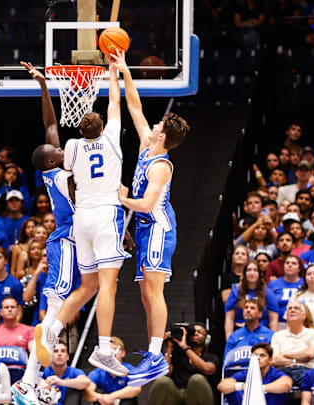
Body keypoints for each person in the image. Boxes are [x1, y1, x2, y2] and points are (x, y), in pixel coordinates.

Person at [41, 48, 129, 378]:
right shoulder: (112, 143)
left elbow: (56, 138)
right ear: (103, 128)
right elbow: (115, 104)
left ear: (79, 131)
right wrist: (113, 72)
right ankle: (104, 349)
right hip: (106, 215)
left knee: (89, 285)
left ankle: (54, 325)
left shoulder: (73, 149)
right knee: (107, 286)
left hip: (82, 221)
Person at [111, 51, 190, 386]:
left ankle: (157, 356)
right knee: (146, 293)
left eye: (158, 126)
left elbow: (144, 204)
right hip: (145, 230)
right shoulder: (147, 144)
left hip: (158, 228)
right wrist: (125, 71)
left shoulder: (161, 165)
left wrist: (122, 196)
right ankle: (153, 353)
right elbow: (135, 107)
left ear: (163, 137)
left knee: (154, 292)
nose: (154, 125)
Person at [15, 61, 83, 404]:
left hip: (72, 239)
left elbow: (51, 122)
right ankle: (32, 373)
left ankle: (29, 380)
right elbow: (85, 200)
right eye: (57, 150)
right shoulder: (63, 177)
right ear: (52, 162)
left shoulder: (57, 166)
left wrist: (45, 86)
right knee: (57, 302)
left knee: (62, 306)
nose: (61, 147)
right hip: (67, 238)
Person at [147, 324, 218, 405]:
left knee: (197, 379)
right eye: (193, 332)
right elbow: (164, 373)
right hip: (176, 394)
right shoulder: (177, 354)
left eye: (200, 332)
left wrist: (185, 347)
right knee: (162, 381)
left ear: (207, 338)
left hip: (196, 396)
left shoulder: (210, 356)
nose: (196, 334)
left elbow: (208, 369)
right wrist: (170, 347)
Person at [217, 343, 293, 405]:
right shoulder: (245, 373)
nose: (258, 358)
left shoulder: (275, 373)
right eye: (255, 355)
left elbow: (286, 384)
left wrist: (257, 389)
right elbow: (222, 386)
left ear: (270, 360)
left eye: (262, 355)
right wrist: (243, 386)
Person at [270, 300, 314, 385]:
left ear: (304, 316)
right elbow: (274, 360)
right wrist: (298, 360)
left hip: (307, 370)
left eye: (296, 308)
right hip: (283, 372)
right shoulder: (277, 336)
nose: (292, 310)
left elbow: (310, 354)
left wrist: (285, 355)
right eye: (289, 308)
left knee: (309, 379)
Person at [225, 261, 279, 338]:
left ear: (260, 274)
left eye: (255, 270)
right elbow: (229, 318)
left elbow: (273, 319)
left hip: (262, 332)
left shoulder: (268, 293)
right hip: (239, 331)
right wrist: (228, 339)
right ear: (244, 274)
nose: (252, 273)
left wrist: (274, 341)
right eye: (249, 270)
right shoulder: (235, 292)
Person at [84, 336, 141, 405]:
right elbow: (88, 393)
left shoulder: (130, 369)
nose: (112, 353)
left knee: (130, 401)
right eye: (109, 350)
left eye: (115, 349)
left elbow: (136, 389)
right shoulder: (97, 372)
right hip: (104, 402)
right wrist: (104, 398)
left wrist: (112, 397)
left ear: (123, 353)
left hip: (122, 401)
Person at [223, 298, 274, 371]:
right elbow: (226, 361)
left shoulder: (270, 335)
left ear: (259, 314)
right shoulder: (234, 336)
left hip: (262, 373)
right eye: (246, 308)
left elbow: (272, 360)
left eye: (252, 308)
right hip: (238, 374)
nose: (248, 310)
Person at [40, 340, 91, 405]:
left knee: (75, 389)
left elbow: (86, 382)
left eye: (63, 351)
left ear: (68, 357)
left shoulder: (74, 372)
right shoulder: (44, 370)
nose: (59, 354)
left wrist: (61, 382)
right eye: (55, 351)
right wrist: (42, 383)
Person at [268, 255, 304, 326]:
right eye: (287, 263)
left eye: (293, 263)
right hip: (278, 323)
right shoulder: (273, 284)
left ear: (299, 268)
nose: (290, 265)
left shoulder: (305, 284)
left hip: (301, 323)